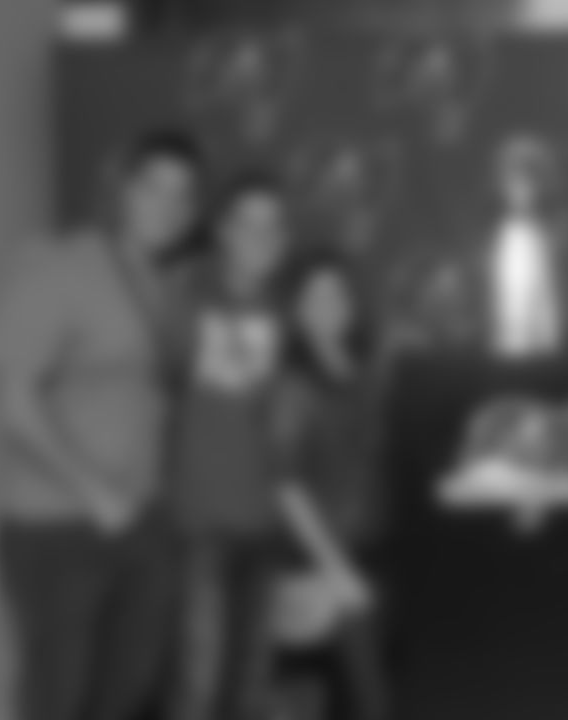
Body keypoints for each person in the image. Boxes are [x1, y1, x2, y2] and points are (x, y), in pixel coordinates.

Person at [0, 129, 203, 720]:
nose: (167, 205)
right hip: (57, 529)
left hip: (141, 524)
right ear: (123, 191)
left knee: (125, 696)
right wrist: (93, 490)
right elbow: (11, 400)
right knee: (58, 701)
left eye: (183, 195)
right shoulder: (60, 266)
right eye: (153, 187)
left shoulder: (164, 287)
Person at [167, 172, 370, 720]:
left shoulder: (288, 312)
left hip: (268, 531)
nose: (261, 237)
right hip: (200, 525)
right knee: (198, 688)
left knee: (247, 691)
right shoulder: (185, 295)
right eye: (248, 224)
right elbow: (156, 390)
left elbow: (326, 398)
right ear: (222, 230)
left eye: (274, 226)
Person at [267, 250, 391, 720]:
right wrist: (335, 570)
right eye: (315, 296)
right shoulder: (292, 386)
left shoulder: (366, 373)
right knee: (369, 702)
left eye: (337, 293)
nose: (329, 305)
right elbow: (285, 487)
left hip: (376, 552)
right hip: (322, 562)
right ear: (295, 310)